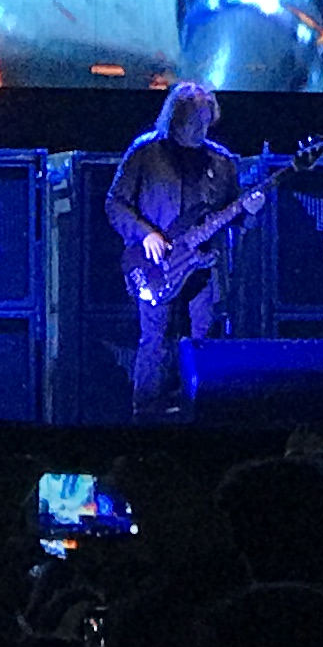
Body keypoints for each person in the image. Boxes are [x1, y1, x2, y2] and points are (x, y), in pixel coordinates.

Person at [105, 80, 249, 419]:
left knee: (203, 337)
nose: (201, 129)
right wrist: (145, 235)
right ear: (176, 118)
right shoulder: (146, 152)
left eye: (206, 121)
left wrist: (252, 211)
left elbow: (235, 215)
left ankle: (202, 411)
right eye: (194, 121)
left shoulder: (222, 162)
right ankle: (146, 414)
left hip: (202, 266)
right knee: (156, 339)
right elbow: (115, 203)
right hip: (155, 265)